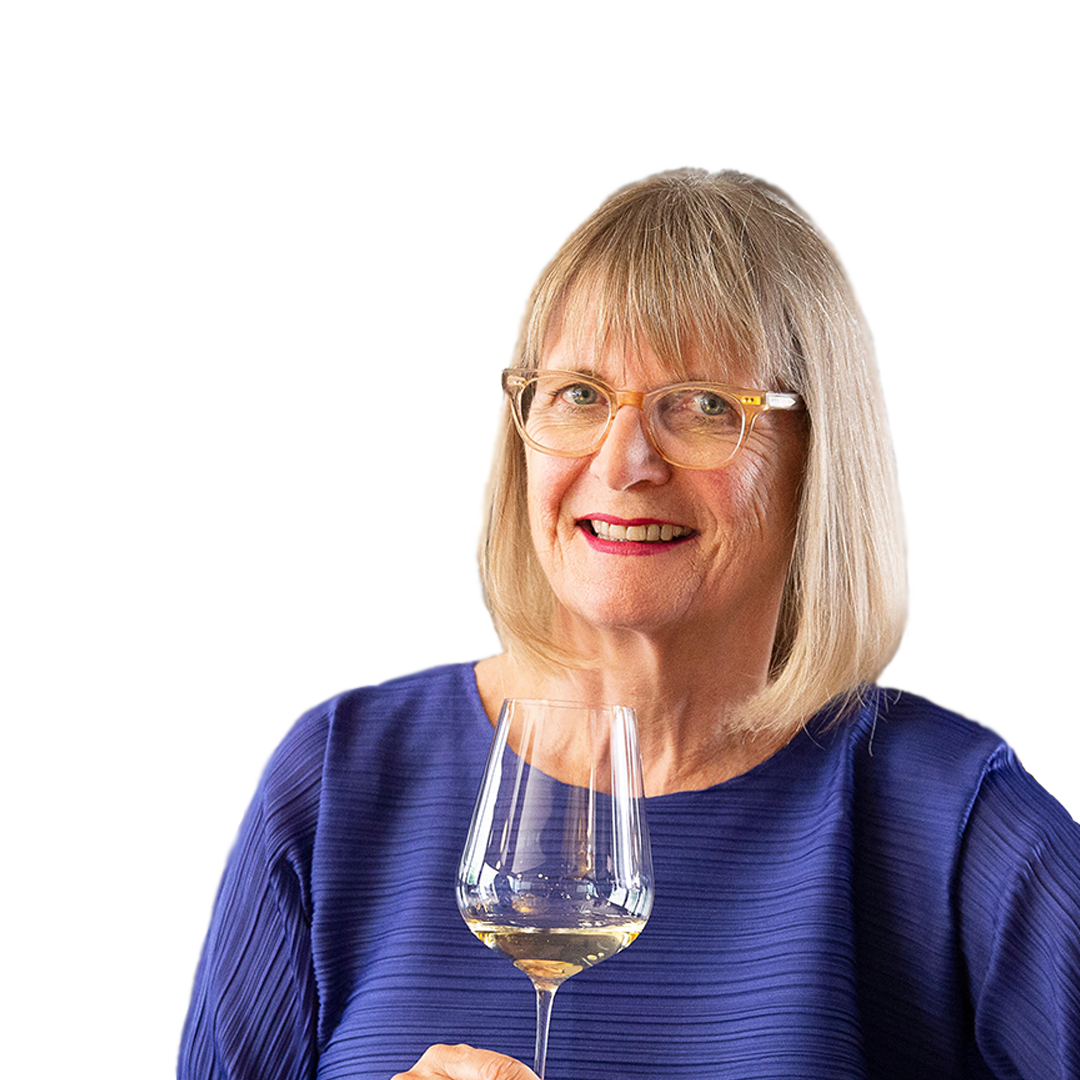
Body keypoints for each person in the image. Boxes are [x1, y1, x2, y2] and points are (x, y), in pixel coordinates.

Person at [178, 169, 1080, 1080]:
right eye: (578, 394)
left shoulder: (954, 821)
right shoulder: (339, 785)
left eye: (702, 405)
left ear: (820, 455)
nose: (624, 460)